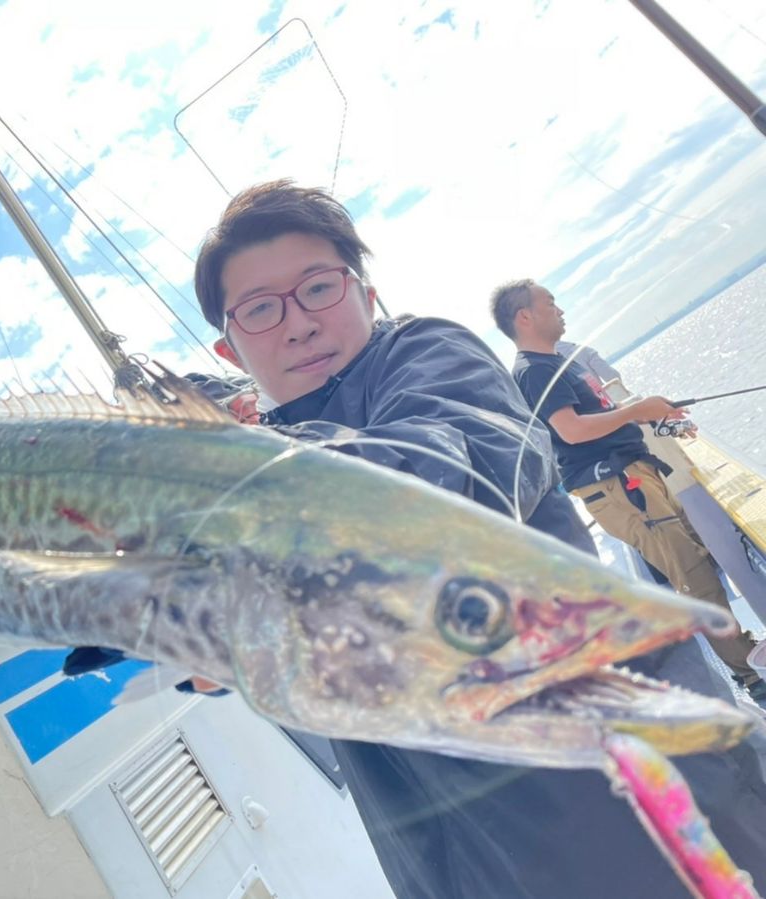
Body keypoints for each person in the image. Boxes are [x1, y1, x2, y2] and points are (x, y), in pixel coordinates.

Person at [69, 181, 766, 898]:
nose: (298, 323)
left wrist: (206, 514)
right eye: (259, 308)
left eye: (317, 287)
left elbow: (460, 471)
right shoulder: (252, 461)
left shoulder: (429, 355)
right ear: (231, 344)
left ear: (365, 293)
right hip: (464, 862)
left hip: (656, 809)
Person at [489, 278, 765, 702]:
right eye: (550, 302)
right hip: (618, 486)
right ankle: (752, 679)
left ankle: (745, 659)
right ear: (524, 316)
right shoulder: (535, 370)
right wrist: (636, 410)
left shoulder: (558, 364)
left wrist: (647, 411)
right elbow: (571, 429)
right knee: (694, 578)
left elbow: (597, 416)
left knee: (700, 563)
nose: (560, 308)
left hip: (635, 476)